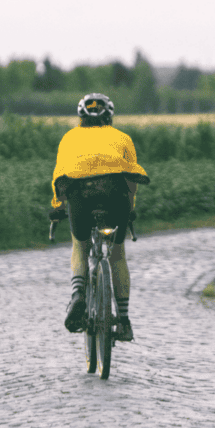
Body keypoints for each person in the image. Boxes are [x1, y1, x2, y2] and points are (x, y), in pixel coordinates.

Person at [50, 93, 149, 342]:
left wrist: (58, 206)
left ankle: (77, 295)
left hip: (80, 197)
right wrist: (129, 210)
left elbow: (61, 175)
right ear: (110, 116)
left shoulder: (69, 137)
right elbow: (131, 180)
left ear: (81, 117)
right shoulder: (122, 138)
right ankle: (124, 321)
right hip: (116, 196)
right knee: (117, 253)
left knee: (80, 245)